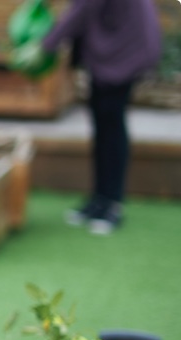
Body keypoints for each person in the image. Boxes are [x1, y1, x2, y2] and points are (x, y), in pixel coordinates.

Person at [12, 0, 161, 234]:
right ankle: (99, 199)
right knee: (103, 122)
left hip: (125, 48)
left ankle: (112, 203)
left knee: (110, 124)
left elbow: (82, 10)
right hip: (113, 47)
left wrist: (45, 45)